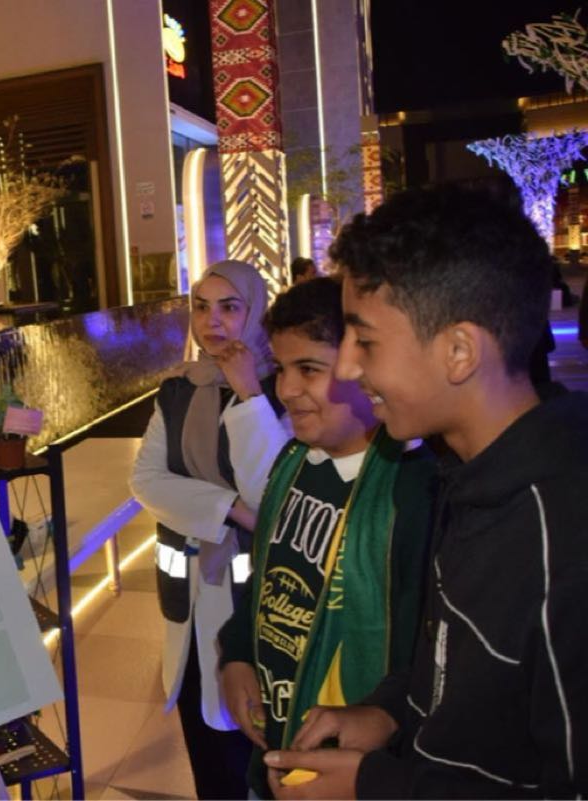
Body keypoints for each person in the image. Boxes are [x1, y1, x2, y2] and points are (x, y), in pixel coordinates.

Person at [264, 184, 588, 798]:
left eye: (365, 341)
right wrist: (389, 711)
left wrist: (376, 787)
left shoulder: (564, 534)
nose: (348, 368)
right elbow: (453, 672)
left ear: (459, 351)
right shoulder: (462, 474)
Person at [215, 277, 434, 799]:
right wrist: (237, 654)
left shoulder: (414, 488)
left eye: (309, 369)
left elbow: (425, 651)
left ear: (364, 367)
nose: (286, 389)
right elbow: (267, 582)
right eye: (281, 368)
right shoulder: (291, 464)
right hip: (276, 751)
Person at [131, 260, 291, 799]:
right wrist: (230, 508)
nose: (212, 321)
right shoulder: (178, 389)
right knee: (206, 747)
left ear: (256, 312)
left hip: (255, 602)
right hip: (188, 599)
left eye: (229, 307)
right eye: (201, 307)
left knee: (255, 746)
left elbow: (272, 492)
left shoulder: (282, 387)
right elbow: (146, 480)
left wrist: (249, 395)